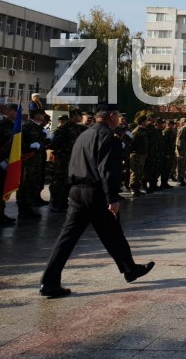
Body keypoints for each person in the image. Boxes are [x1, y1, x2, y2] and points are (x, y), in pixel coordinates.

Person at [39, 104, 155, 298]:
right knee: (112, 231)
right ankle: (130, 269)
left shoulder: (84, 135)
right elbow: (107, 170)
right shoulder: (108, 137)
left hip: (77, 191)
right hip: (96, 193)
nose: (120, 119)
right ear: (112, 116)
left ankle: (49, 282)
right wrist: (112, 198)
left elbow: (73, 163)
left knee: (70, 238)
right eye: (118, 116)